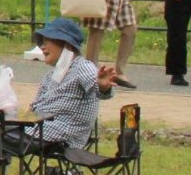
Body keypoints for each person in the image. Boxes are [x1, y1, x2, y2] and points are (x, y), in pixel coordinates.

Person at [14, 16, 120, 150]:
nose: (42, 47)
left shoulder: (82, 67)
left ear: (67, 45)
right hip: (37, 130)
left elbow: (97, 88)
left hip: (61, 136)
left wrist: (102, 86)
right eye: (42, 42)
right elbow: (34, 109)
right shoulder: (50, 76)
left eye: (47, 41)